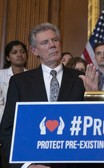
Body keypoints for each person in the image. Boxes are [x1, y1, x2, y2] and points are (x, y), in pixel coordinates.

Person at [0, 23, 85, 168]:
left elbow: (91, 125)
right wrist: (26, 165)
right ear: (34, 50)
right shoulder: (19, 82)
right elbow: (8, 130)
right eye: (45, 42)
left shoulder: (81, 79)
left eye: (55, 40)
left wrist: (93, 94)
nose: (52, 45)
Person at [0, 40, 28, 168]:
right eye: (14, 52)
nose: (19, 55)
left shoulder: (31, 76)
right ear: (7, 57)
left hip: (24, 126)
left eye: (22, 52)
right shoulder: (1, 75)